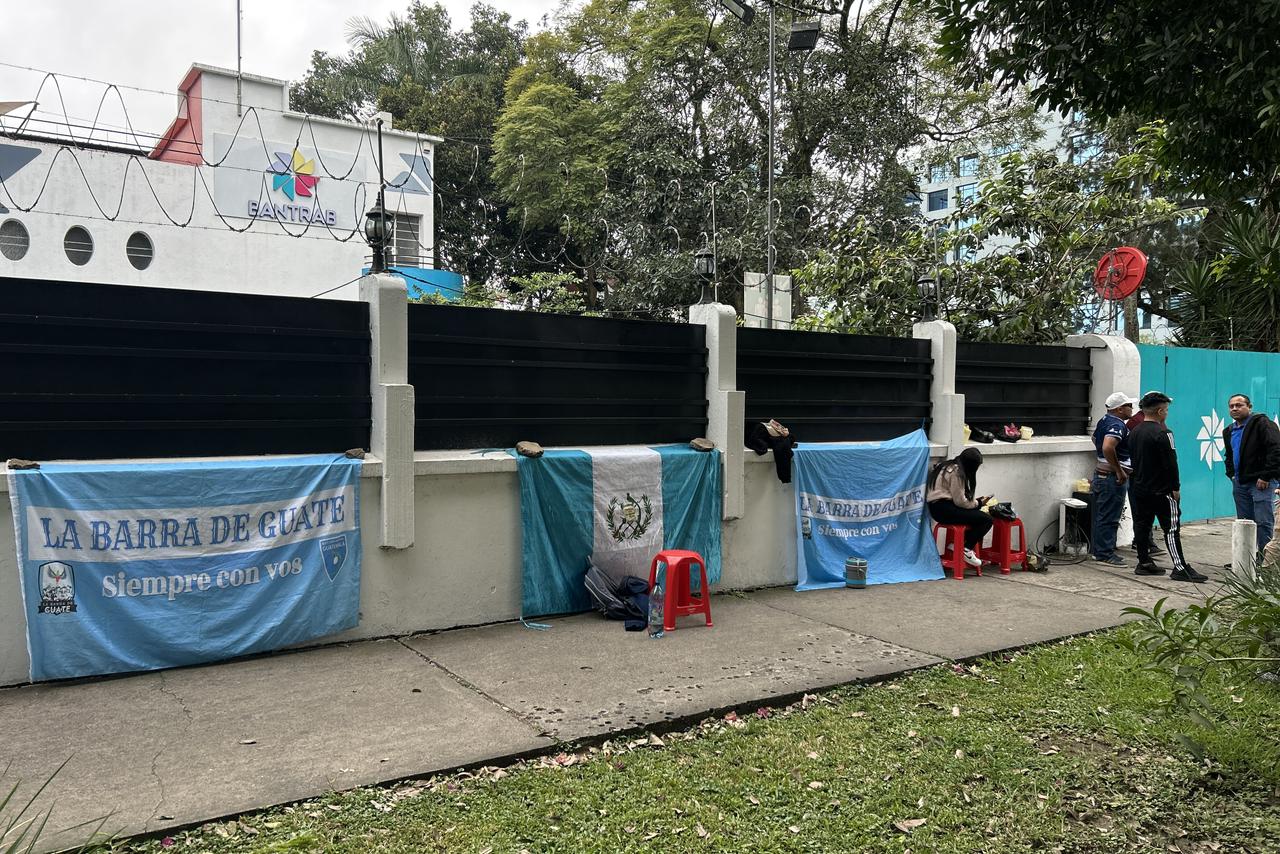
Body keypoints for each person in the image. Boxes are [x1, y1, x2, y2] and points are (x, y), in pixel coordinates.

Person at [1129, 391, 1208, 582]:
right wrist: (1175, 487)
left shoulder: (1134, 432)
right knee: (1171, 529)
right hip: (1162, 490)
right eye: (1166, 410)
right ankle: (1180, 567)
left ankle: (1144, 562)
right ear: (1160, 411)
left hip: (1139, 488)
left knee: (1142, 525)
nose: (1167, 413)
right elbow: (1171, 463)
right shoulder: (1164, 433)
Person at [1221, 393, 1280, 553]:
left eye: (1239, 405)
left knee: (1263, 522)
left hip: (1261, 483)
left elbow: (1275, 449)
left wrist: (1266, 475)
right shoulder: (1228, 431)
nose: (1234, 408)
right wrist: (1232, 475)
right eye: (1231, 406)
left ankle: (1266, 561)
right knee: (1245, 523)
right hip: (1240, 483)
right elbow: (1229, 455)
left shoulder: (1262, 423)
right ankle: (1246, 561)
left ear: (1249, 407)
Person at [1090, 391, 1136, 566]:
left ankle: (1100, 550)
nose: (1132, 409)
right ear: (1119, 409)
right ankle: (1104, 553)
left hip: (1104, 474)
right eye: (1128, 406)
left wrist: (1102, 458)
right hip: (1111, 477)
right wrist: (1118, 470)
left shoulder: (1103, 421)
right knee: (1110, 515)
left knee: (1103, 514)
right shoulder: (1117, 425)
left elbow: (1094, 439)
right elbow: (1108, 446)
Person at [926, 447, 992, 568]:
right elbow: (960, 502)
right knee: (987, 520)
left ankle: (957, 545)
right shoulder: (957, 472)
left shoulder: (945, 466)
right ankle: (966, 549)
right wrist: (979, 503)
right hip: (945, 509)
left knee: (977, 517)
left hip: (937, 508)